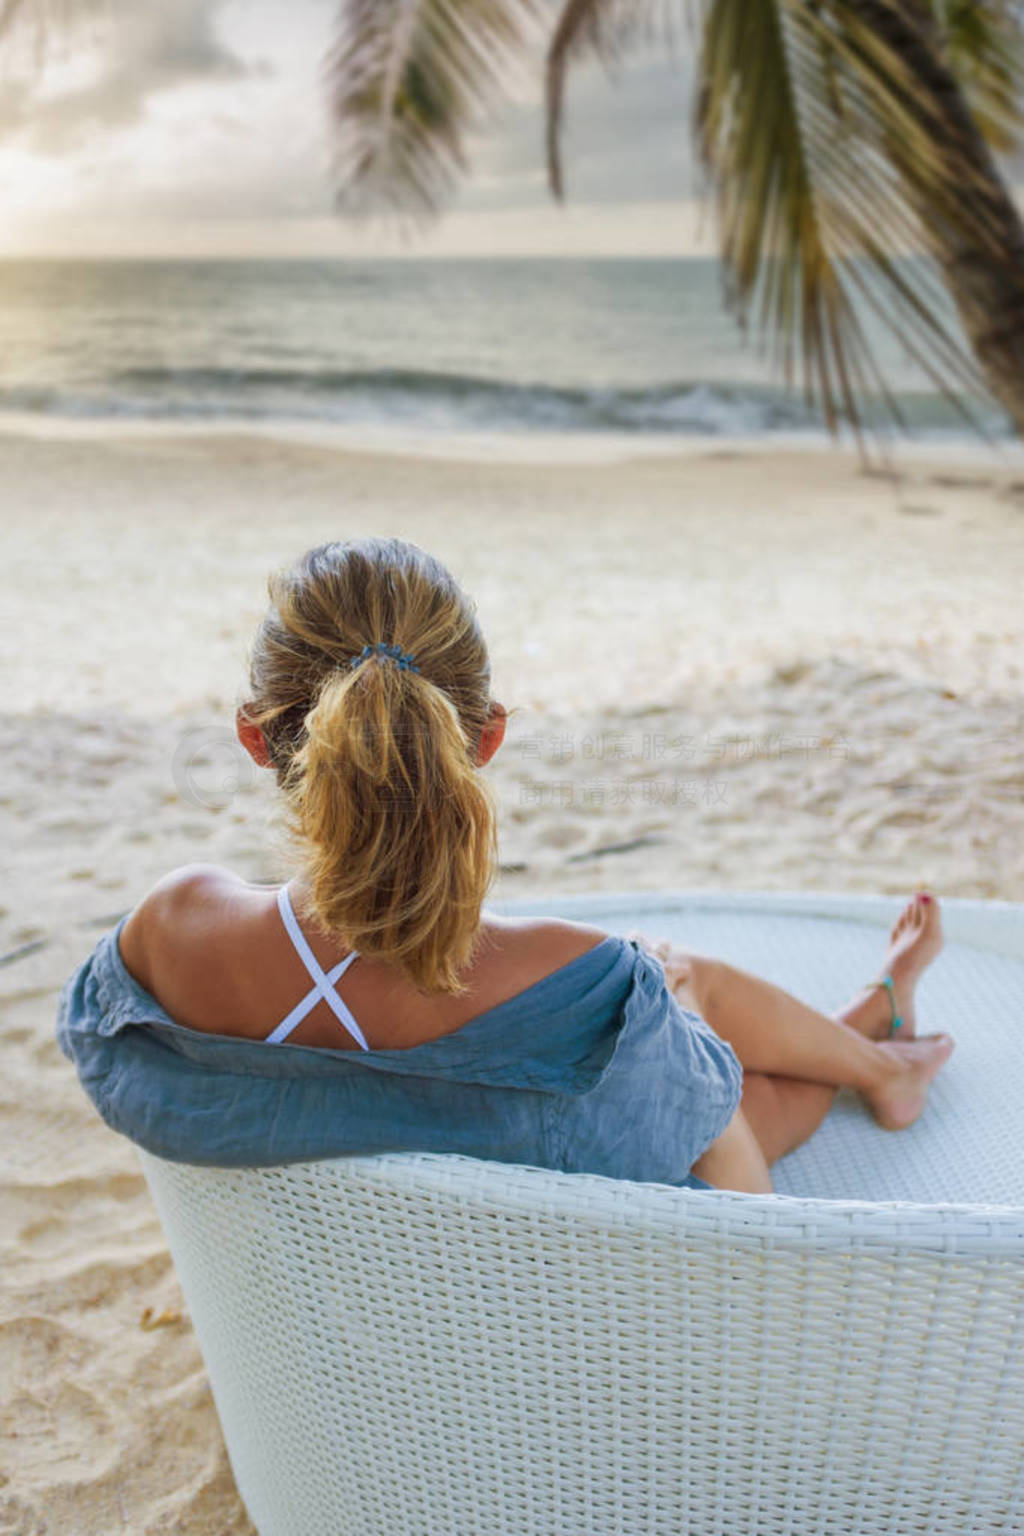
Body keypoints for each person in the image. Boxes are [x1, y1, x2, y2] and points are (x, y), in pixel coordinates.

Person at [58, 537, 954, 1194]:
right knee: (685, 996)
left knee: (661, 1006)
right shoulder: (571, 970)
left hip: (356, 1264)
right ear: (483, 739)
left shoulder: (172, 929)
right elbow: (709, 1150)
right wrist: (669, 999)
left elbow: (111, 1057)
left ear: (255, 737)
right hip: (551, 1237)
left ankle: (878, 1043)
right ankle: (881, 1056)